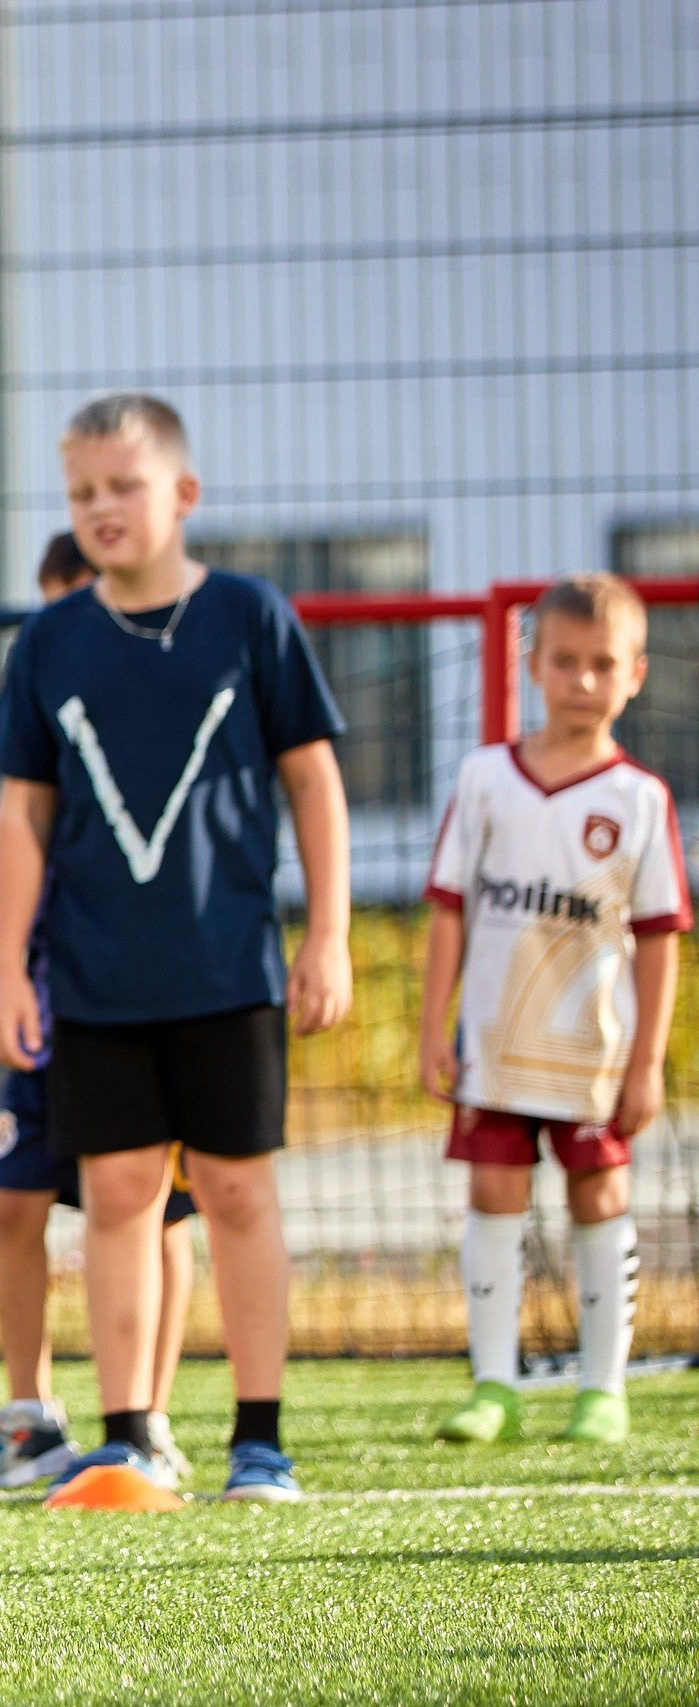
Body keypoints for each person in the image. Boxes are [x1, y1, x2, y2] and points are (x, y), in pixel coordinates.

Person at [0, 393, 353, 1504]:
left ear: (181, 496)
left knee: (236, 1192)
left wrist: (327, 933)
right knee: (119, 1194)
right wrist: (5, 970)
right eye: (81, 492)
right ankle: (129, 1431)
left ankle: (258, 1441)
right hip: (94, 981)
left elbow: (315, 780)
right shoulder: (49, 640)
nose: (100, 508)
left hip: (228, 970)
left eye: (122, 487)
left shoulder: (248, 616)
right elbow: (22, 820)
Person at [0, 530, 203, 1491]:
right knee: (13, 1197)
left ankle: (149, 1417)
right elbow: (9, 897)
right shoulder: (34, 755)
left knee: (153, 1214)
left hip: (132, 1012)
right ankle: (30, 1414)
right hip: (42, 1022)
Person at [421, 576, 687, 1446]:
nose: (581, 680)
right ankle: (492, 1385)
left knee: (600, 1193)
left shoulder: (640, 800)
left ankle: (601, 1388)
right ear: (533, 666)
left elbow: (656, 935)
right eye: (565, 662)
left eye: (602, 664)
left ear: (635, 674)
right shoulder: (485, 778)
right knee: (494, 1194)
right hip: (494, 1045)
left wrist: (647, 1059)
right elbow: (450, 908)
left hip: (593, 1055)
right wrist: (435, 1027)